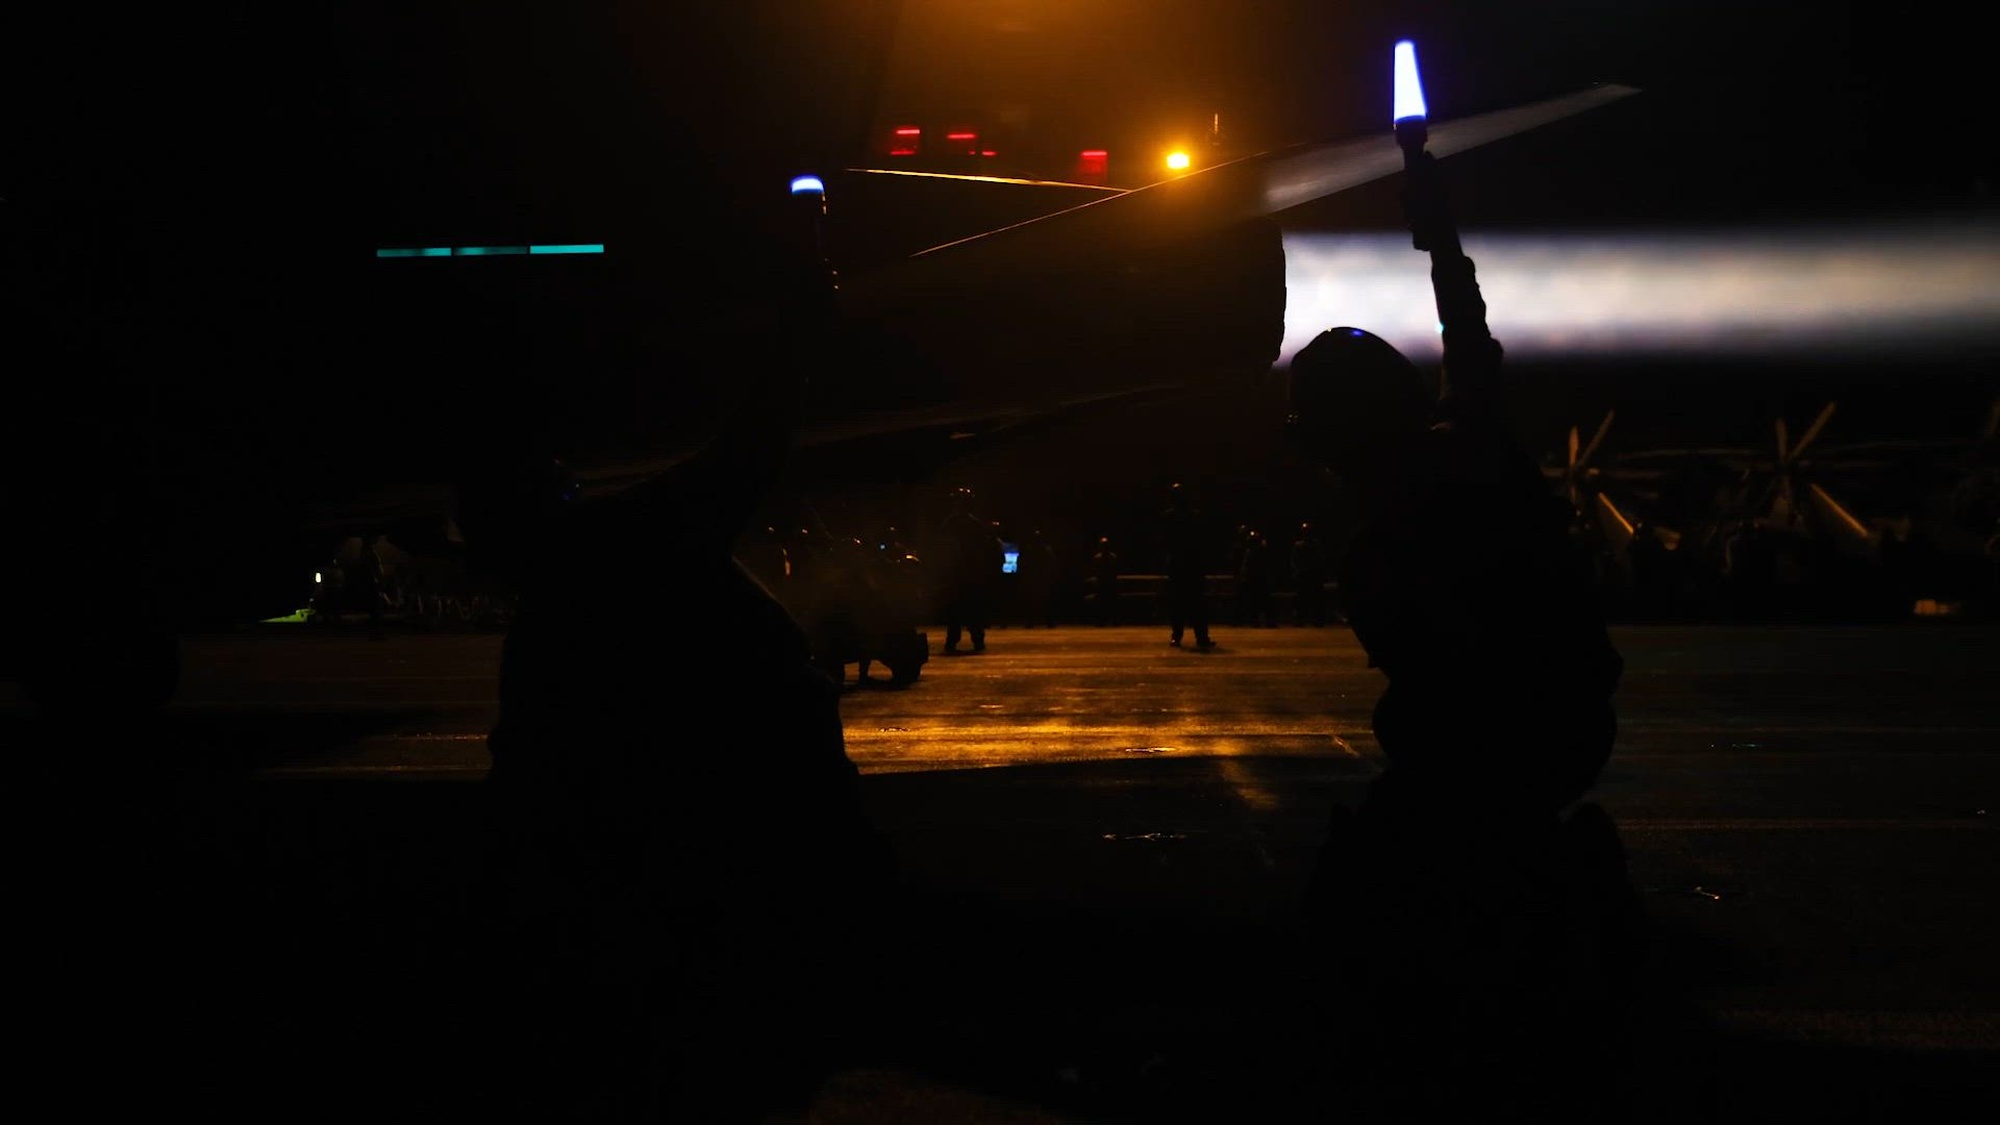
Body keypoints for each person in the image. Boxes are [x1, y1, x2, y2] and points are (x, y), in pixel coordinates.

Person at [1286, 104, 1634, 1120]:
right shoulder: (1462, 448)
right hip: (1537, 730)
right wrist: (1429, 215)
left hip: (1500, 742)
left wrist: (1431, 217)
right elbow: (1465, 331)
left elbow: (1464, 329)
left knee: (1382, 913)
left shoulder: (1435, 479)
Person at [936, 486, 1001, 654]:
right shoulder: (956, 524)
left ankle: (972, 640)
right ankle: (962, 640)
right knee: (962, 611)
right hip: (961, 574)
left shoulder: (968, 524)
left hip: (967, 574)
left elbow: (983, 549)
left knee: (968, 611)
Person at [1159, 482, 1216, 648]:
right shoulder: (1190, 516)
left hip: (1185, 564)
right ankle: (1195, 636)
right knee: (1190, 602)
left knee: (1184, 602)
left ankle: (1188, 636)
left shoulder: (1174, 517)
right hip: (1188, 564)